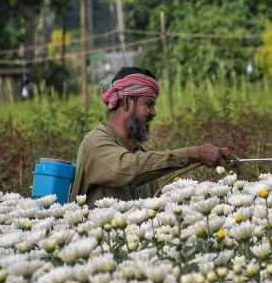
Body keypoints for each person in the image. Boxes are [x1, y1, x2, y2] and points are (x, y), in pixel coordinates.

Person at [70, 66, 236, 206]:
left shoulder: (139, 154)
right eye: (149, 104)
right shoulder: (95, 142)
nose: (154, 112)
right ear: (127, 102)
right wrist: (195, 153)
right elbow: (127, 168)